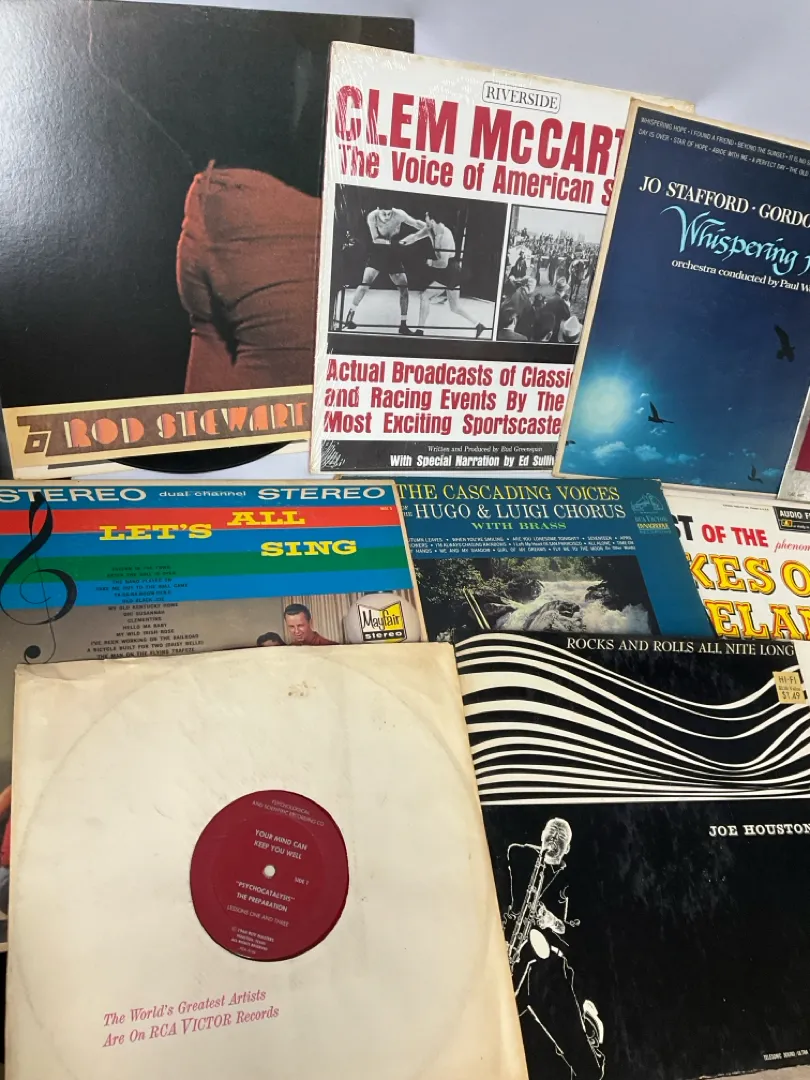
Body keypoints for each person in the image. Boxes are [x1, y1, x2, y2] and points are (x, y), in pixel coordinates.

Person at [505, 819, 604, 1080]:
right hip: (513, 956)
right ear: (541, 835)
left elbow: (579, 937)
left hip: (546, 964)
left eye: (560, 840)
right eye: (550, 835)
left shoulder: (573, 883)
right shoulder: (520, 855)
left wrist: (553, 921)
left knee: (584, 1064)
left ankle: (588, 1046)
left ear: (567, 849)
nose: (553, 841)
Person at [343, 206, 425, 334]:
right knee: (364, 285)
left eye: (389, 214)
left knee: (404, 289)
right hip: (378, 253)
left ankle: (403, 325)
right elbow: (375, 239)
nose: (387, 217)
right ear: (378, 210)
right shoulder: (372, 216)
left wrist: (429, 228)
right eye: (384, 214)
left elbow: (415, 223)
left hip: (393, 255)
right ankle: (349, 317)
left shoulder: (399, 214)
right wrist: (394, 243)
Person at [405, 213, 485, 338]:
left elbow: (443, 263)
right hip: (448, 271)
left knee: (425, 296)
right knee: (455, 307)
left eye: (426, 218)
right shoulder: (430, 229)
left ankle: (420, 331)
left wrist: (430, 262)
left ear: (432, 220)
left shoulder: (445, 235)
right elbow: (415, 236)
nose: (425, 220)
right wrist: (403, 242)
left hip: (450, 271)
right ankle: (478, 325)